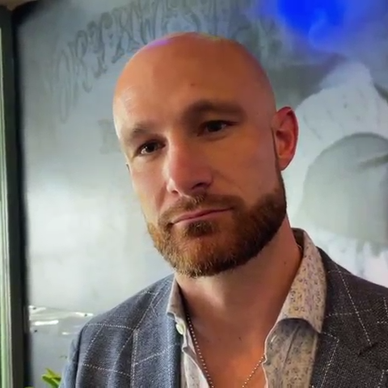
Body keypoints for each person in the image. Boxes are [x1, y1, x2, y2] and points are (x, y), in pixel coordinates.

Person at [60, 32, 388, 388]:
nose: (182, 179)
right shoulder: (96, 354)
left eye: (213, 126)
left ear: (282, 140)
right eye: (149, 147)